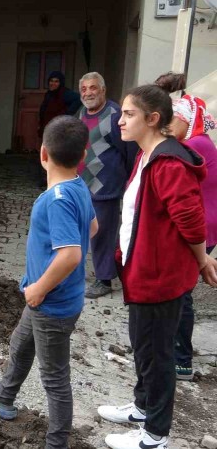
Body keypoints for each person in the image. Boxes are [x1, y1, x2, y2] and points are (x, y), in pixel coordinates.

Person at [98, 85, 217, 449]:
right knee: (143, 346)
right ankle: (141, 408)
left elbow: (191, 222)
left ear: (152, 119)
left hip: (159, 278)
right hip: (143, 272)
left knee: (157, 354)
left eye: (129, 114)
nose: (120, 121)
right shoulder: (147, 154)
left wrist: (202, 260)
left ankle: (154, 435)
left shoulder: (168, 163)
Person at [0, 116, 98, 449]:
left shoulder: (56, 200)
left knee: (55, 378)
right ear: (83, 156)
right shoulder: (79, 187)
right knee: (20, 344)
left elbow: (70, 255)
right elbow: (93, 228)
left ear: (42, 153)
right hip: (51, 298)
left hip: (51, 302)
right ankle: (3, 398)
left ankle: (57, 443)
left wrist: (39, 288)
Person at [77, 72, 139, 299]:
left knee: (103, 233)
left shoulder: (115, 115)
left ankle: (104, 279)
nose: (88, 93)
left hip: (105, 187)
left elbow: (129, 151)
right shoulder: (81, 113)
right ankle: (77, 271)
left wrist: (127, 179)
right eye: (84, 89)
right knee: (82, 229)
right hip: (82, 184)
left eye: (93, 88)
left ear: (103, 90)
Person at [170, 93, 217, 381]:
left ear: (188, 120)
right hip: (204, 223)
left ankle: (181, 361)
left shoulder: (194, 145)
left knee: (181, 292)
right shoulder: (199, 142)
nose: (168, 123)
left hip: (201, 226)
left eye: (175, 118)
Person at [38, 71, 81, 138]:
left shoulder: (64, 93)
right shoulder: (49, 94)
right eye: (51, 81)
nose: (53, 83)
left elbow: (78, 99)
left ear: (60, 83)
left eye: (56, 81)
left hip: (58, 127)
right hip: (48, 126)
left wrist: (67, 113)